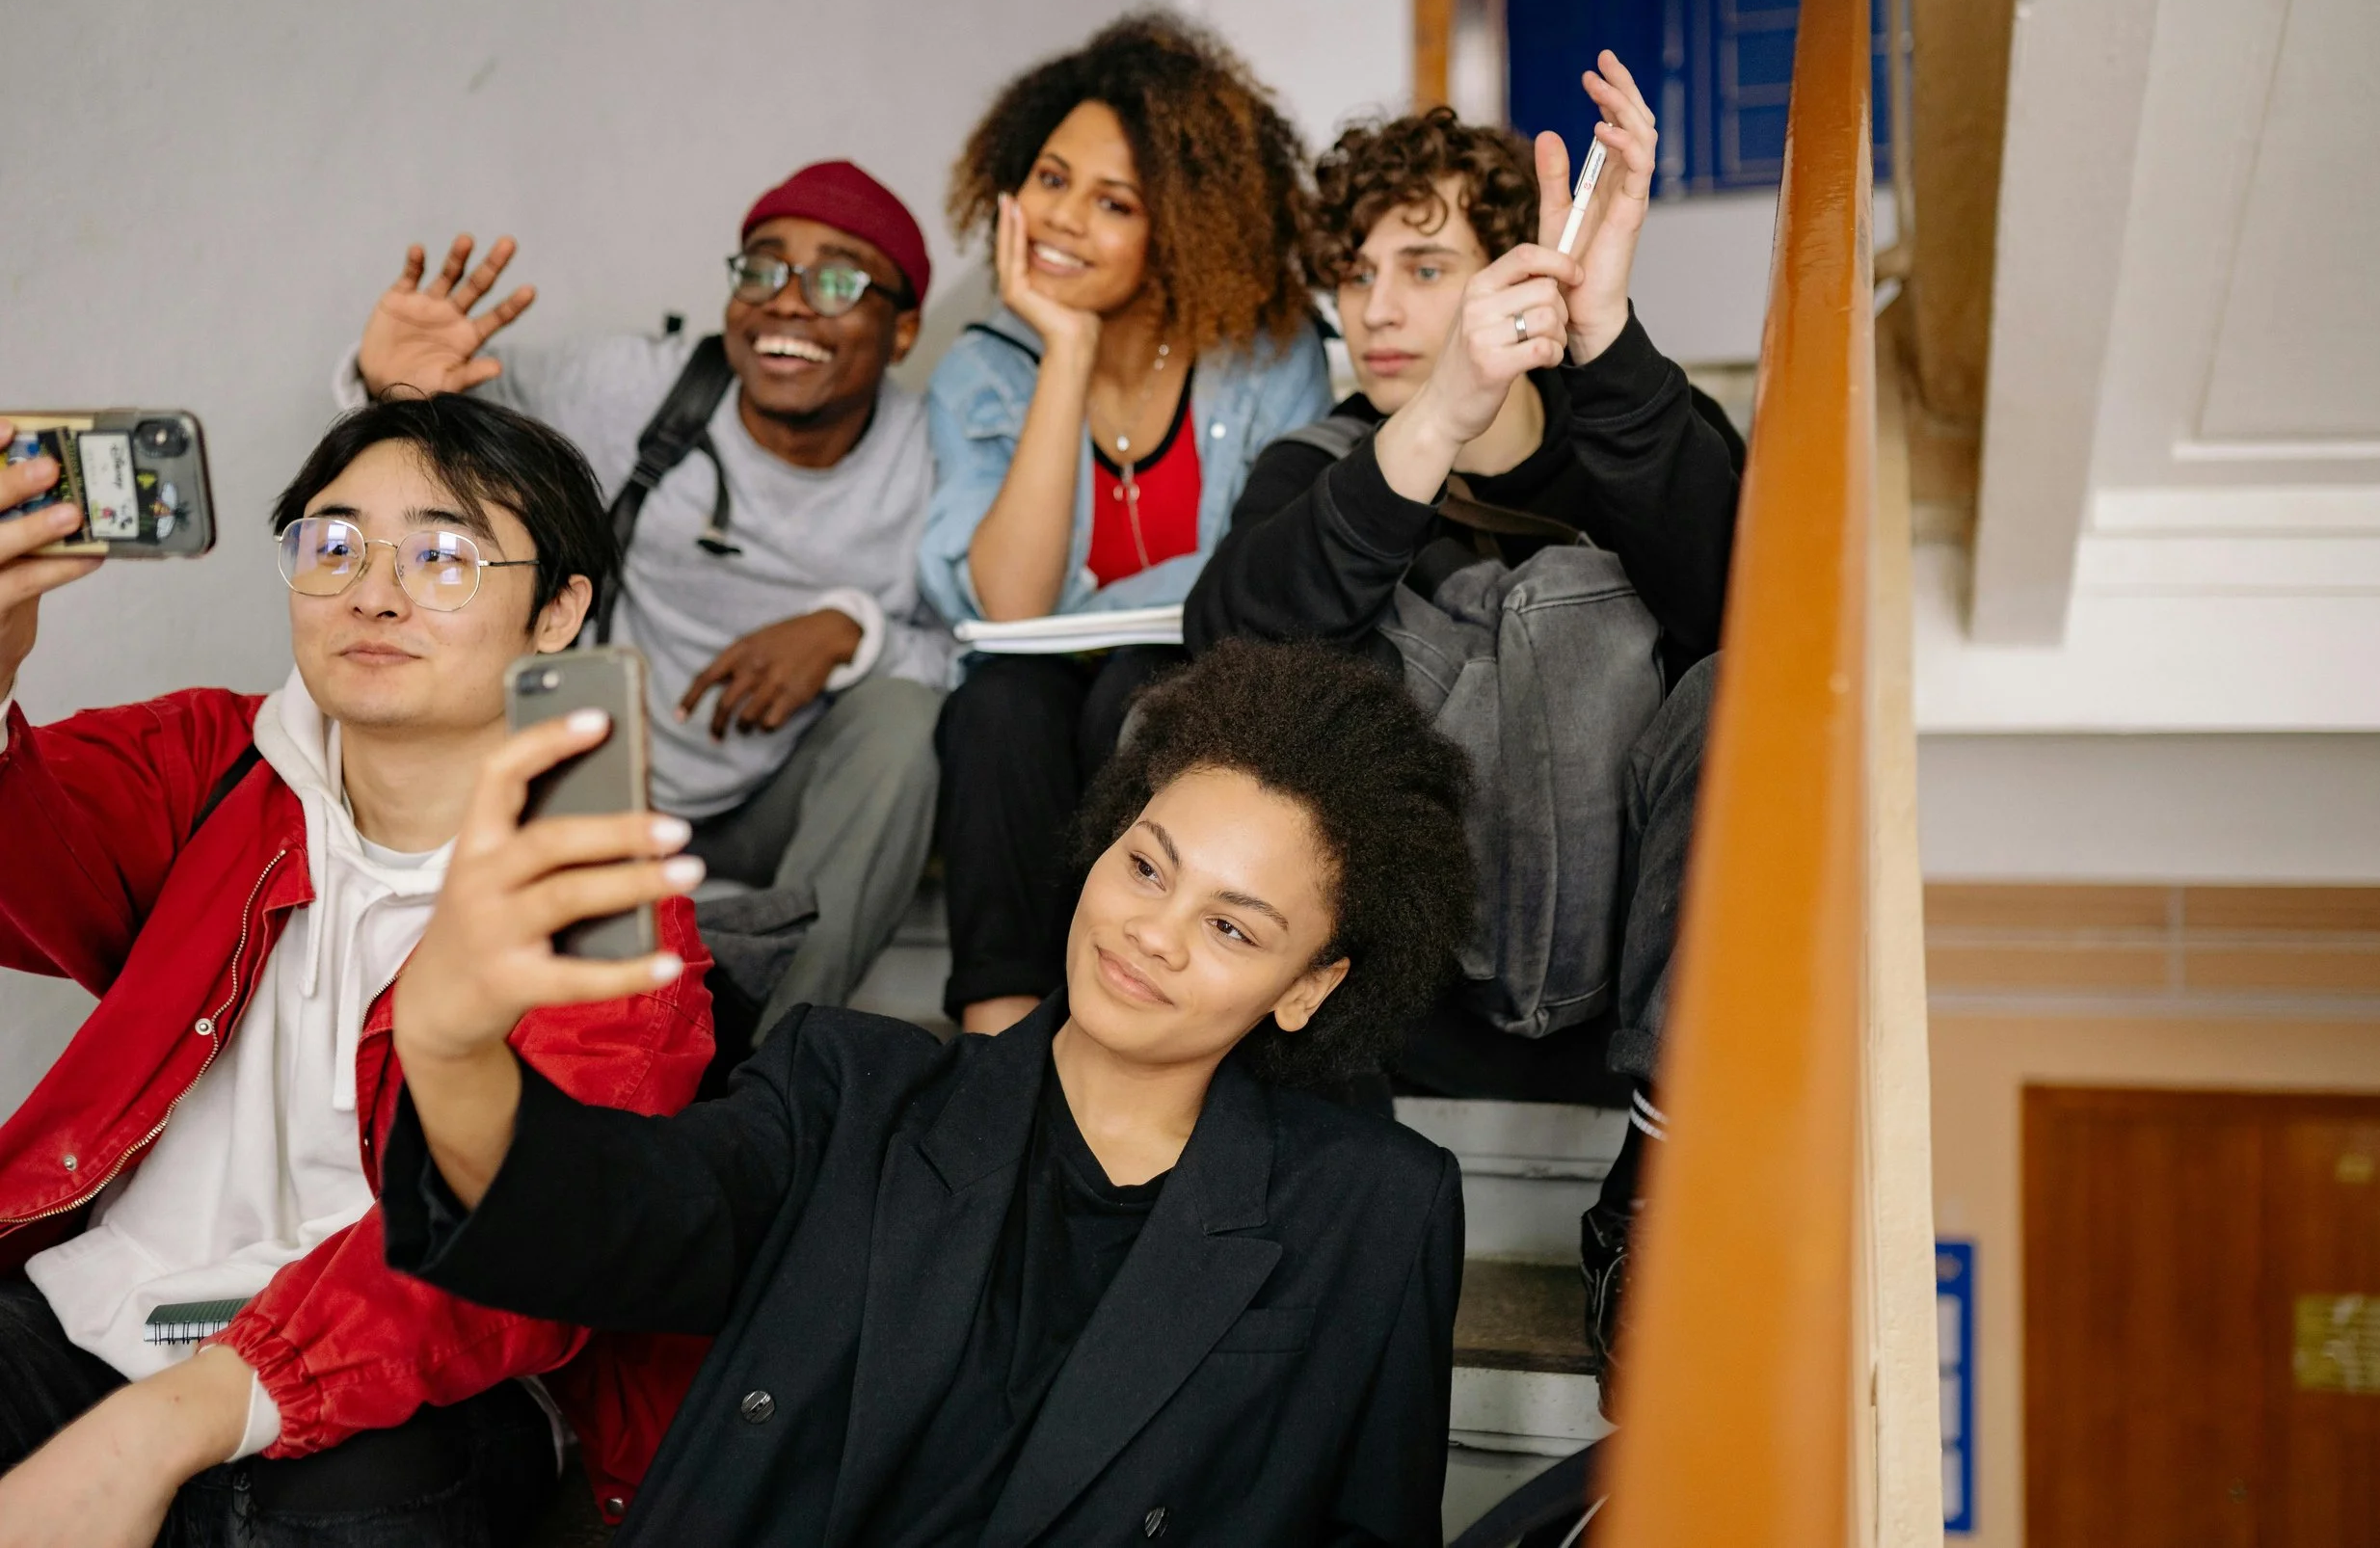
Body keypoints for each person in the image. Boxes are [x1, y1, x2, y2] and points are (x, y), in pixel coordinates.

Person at [379, 638, 1473, 1546]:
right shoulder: (849, 1088)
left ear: (1310, 985)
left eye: (1232, 926)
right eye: (1147, 866)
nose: (1152, 931)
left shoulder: (1373, 1207)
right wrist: (449, 1039)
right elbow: (604, 1215)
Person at [0, 397, 714, 1544]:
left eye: (443, 556)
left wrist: (167, 1423)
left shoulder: (594, 893)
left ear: (558, 611)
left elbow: (528, 1255)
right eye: (333, 545)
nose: (373, 593)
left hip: (418, 1381)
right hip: (114, 1300)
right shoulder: (211, 761)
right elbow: (25, 850)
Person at [1180, 58, 1742, 1379]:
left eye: (1424, 266)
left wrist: (1603, 336)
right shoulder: (1320, 464)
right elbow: (1222, 653)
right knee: (1336, 646)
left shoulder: (1639, 421)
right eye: (1357, 274)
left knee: (1705, 665)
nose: (1378, 307)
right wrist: (1433, 417)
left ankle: (1655, 1180)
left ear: (1515, 274)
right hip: (1422, 957)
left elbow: (1741, 611)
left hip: (1631, 949)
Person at [343, 159, 949, 1028]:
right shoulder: (640, 388)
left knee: (906, 720)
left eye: (838, 279)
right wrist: (390, 389)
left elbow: (976, 650)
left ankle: (783, 1070)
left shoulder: (932, 460)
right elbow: (448, 405)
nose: (787, 299)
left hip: (782, 794)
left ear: (901, 330)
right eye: (762, 267)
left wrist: (848, 631)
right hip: (605, 774)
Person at [919, 12, 1333, 1036]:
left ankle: (1127, 1022)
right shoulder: (980, 371)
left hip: (1198, 683)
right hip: (1035, 707)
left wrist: (1101, 611)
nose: (1061, 220)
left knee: (1133, 689)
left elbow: (1265, 575)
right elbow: (1010, 610)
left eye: (1113, 202)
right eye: (1051, 179)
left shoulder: (1266, 353)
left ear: (1184, 224)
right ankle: (1000, 1042)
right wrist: (1064, 347)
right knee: (999, 703)